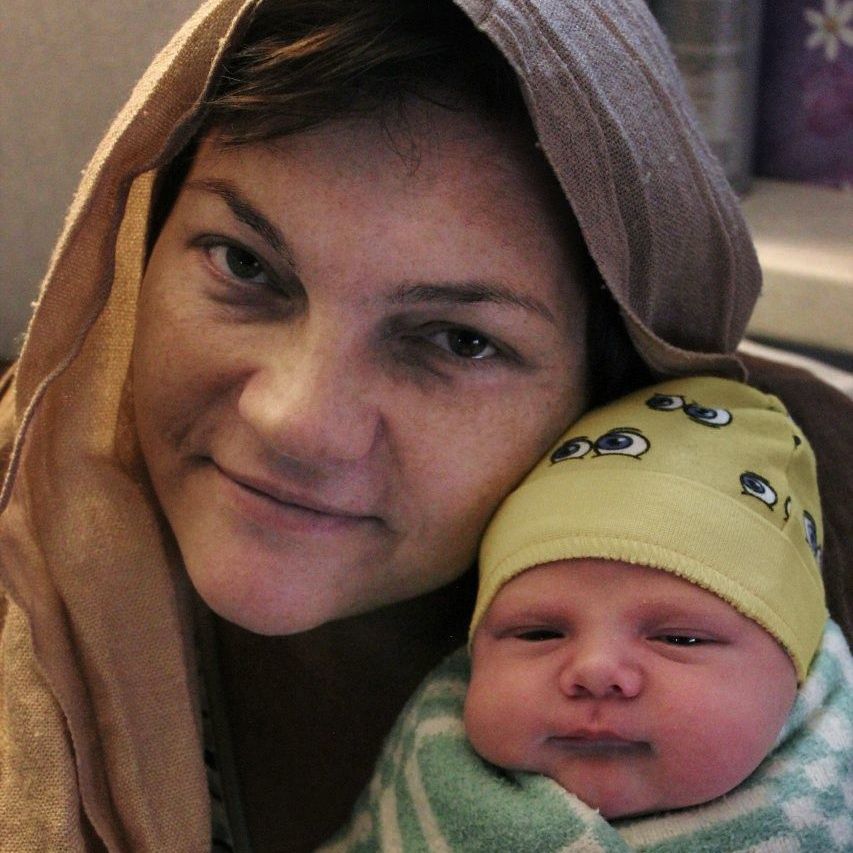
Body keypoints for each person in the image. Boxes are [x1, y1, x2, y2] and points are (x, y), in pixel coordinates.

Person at [0, 1, 849, 850]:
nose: (294, 420)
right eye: (245, 264)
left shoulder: (808, 514)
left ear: (615, 378)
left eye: (457, 339)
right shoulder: (20, 526)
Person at [326, 376, 852, 851]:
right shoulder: (428, 771)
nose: (595, 670)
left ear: (798, 675)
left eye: (680, 640)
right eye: (538, 634)